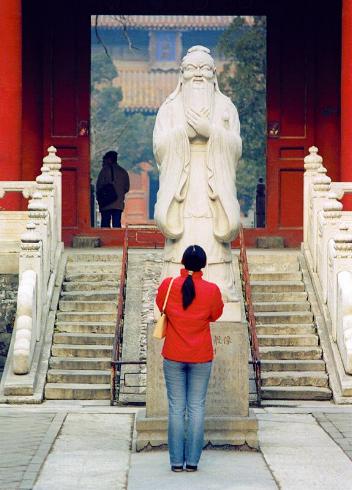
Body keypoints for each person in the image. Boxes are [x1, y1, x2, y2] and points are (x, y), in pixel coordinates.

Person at [153, 45, 242, 302]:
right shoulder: (169, 108)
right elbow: (159, 148)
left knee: (212, 232)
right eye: (192, 69)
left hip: (213, 182)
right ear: (181, 75)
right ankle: (174, 280)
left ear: (214, 74)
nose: (199, 75)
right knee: (184, 233)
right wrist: (184, 135)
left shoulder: (226, 107)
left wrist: (212, 132)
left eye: (205, 69)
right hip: (183, 182)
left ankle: (219, 283)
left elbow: (236, 148)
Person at [156, 245, 224, 473]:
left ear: (182, 262)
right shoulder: (212, 290)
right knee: (196, 407)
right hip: (201, 355)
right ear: (204, 264)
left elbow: (160, 306)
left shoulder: (168, 286)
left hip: (173, 353)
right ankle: (193, 462)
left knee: (176, 408)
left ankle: (176, 462)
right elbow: (216, 315)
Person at [96, 150, 130, 228]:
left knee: (105, 223)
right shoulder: (123, 172)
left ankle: (106, 239)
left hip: (106, 203)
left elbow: (99, 186)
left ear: (109, 159)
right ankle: (117, 239)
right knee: (117, 224)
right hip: (118, 203)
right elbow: (126, 188)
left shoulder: (104, 171)